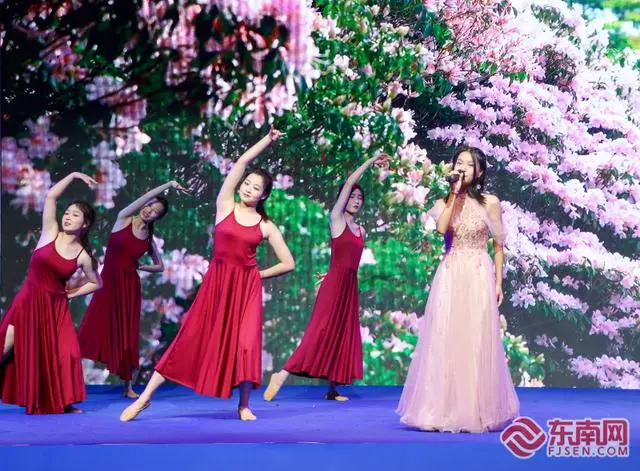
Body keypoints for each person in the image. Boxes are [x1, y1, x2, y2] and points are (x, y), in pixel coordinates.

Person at [120, 128, 295, 422]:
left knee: (246, 345)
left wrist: (257, 275)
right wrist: (267, 140)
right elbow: (241, 163)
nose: (248, 189)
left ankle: (244, 405)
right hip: (217, 285)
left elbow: (288, 262)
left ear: (264, 195)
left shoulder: (265, 225)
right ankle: (144, 399)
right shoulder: (225, 205)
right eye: (247, 184)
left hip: (246, 290)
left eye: (256, 188)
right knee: (188, 339)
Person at [396, 148, 519, 432]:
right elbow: (441, 229)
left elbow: (498, 246)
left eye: (469, 164)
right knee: (446, 336)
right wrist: (453, 194)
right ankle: (440, 410)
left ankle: (474, 410)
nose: (462, 167)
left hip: (478, 272)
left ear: (480, 172)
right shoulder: (444, 201)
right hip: (451, 272)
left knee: (475, 338)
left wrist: (498, 282)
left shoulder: (490, 202)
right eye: (458, 163)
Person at [264, 153, 389, 402]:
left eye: (359, 198)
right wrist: (370, 161)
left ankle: (332, 389)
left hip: (349, 286)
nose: (355, 201)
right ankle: (282, 374)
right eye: (351, 196)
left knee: (342, 333)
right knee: (319, 331)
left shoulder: (361, 230)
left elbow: (347, 260)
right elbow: (350, 181)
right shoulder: (336, 219)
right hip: (334, 285)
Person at [0, 172, 103, 414]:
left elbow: (96, 283)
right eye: (67, 213)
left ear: (85, 224)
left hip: (55, 309)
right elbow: (50, 196)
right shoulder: (50, 232)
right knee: (4, 349)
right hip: (27, 302)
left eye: (74, 215)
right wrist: (74, 175)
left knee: (68, 354)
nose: (67, 217)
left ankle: (61, 402)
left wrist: (70, 295)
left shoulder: (83, 256)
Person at [78, 181, 188, 398]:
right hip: (107, 283)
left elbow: (160, 266)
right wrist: (169, 184)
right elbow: (146, 196)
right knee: (92, 328)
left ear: (157, 218)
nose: (150, 211)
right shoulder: (123, 218)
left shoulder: (148, 238)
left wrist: (142, 266)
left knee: (126, 336)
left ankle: (128, 387)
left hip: (129, 288)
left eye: (156, 212)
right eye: (150, 205)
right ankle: (69, 378)